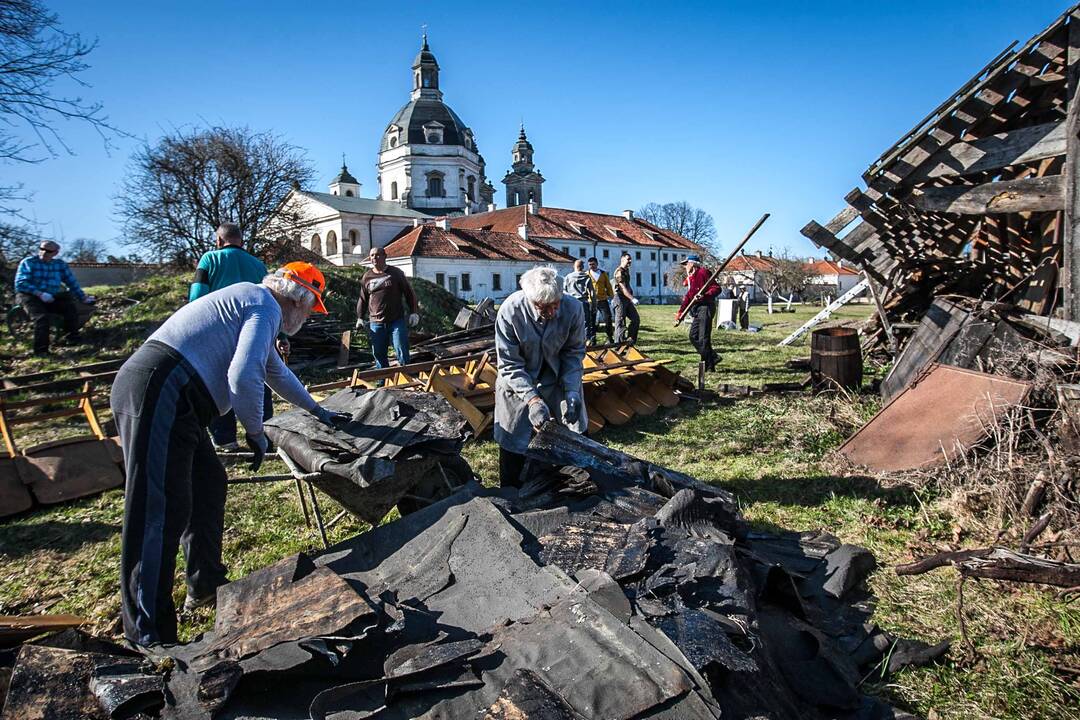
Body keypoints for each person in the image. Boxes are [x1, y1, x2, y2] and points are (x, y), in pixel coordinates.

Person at [111, 261, 350, 647]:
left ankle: (205, 583)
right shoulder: (264, 305)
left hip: (177, 395)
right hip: (160, 388)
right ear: (298, 299)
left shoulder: (254, 303)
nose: (308, 318)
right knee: (157, 511)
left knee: (208, 484)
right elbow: (243, 375)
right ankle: (147, 634)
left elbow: (277, 373)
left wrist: (319, 411)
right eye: (311, 308)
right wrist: (254, 432)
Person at [190, 223, 287, 451]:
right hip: (255, 332)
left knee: (221, 384)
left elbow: (196, 299)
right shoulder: (258, 265)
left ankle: (226, 440)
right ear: (241, 241)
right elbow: (271, 301)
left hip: (220, 334)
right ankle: (265, 433)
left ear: (219, 241)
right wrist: (280, 334)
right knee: (258, 380)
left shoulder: (209, 260)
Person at [494, 266, 587, 488]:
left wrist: (572, 391)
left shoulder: (573, 308)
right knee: (514, 447)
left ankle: (572, 492)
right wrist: (533, 400)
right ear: (530, 299)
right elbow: (509, 364)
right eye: (544, 308)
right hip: (518, 386)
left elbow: (573, 354)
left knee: (578, 444)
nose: (552, 312)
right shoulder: (510, 311)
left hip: (558, 383)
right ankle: (511, 495)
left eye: (556, 305)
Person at [13, 240, 95, 355]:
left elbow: (71, 282)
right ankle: (41, 351)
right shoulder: (28, 262)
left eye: (48, 251)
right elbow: (21, 283)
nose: (43, 253)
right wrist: (39, 294)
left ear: (55, 253)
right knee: (41, 318)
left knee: (70, 308)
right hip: (29, 296)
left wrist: (83, 297)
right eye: (41, 249)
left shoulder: (60, 265)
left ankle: (72, 339)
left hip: (51, 296)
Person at [356, 246, 419, 368]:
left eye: (378, 254)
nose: (375, 257)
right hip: (376, 322)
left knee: (401, 348)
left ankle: (406, 376)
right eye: (372, 255)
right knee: (379, 353)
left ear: (385, 256)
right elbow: (363, 299)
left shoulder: (395, 273)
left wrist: (414, 312)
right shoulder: (367, 277)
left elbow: (409, 293)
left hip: (396, 321)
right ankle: (382, 381)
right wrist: (360, 317)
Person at [677, 254, 721, 371]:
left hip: (705, 307)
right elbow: (688, 297)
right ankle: (713, 356)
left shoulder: (703, 272)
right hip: (697, 309)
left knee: (703, 338)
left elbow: (716, 288)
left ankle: (709, 366)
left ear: (692, 264)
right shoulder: (691, 278)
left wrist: (704, 295)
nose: (685, 267)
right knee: (693, 336)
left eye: (686, 264)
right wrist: (681, 312)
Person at [562, 259, 596, 345]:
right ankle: (586, 340)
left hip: (571, 302)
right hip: (583, 302)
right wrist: (594, 305)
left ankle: (571, 341)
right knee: (585, 323)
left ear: (575, 267)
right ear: (582, 267)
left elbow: (563, 291)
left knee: (571, 322)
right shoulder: (587, 277)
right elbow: (592, 292)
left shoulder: (568, 277)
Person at [612, 252, 639, 344]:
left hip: (626, 299)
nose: (630, 261)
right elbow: (623, 288)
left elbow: (627, 286)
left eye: (631, 259)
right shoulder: (619, 272)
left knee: (635, 319)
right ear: (622, 260)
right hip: (619, 298)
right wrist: (632, 298)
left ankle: (630, 341)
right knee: (620, 322)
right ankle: (618, 345)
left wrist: (631, 293)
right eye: (628, 259)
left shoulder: (626, 271)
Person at [587, 257, 614, 344]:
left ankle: (610, 337)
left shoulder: (603, 273)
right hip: (591, 301)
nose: (592, 266)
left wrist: (611, 296)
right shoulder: (586, 274)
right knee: (592, 321)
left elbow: (608, 285)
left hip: (602, 299)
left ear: (597, 264)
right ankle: (593, 339)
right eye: (590, 265)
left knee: (608, 318)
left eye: (593, 264)